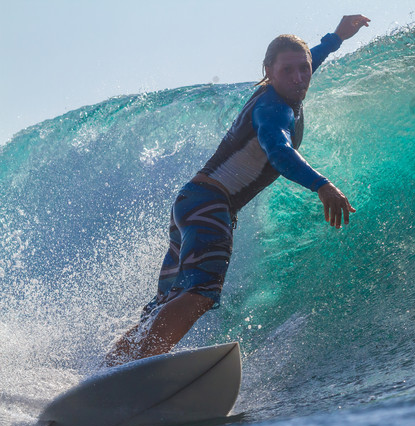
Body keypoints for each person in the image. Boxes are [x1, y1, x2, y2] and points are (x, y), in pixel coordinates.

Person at [103, 15, 371, 367]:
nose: (299, 77)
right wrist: (322, 186)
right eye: (288, 70)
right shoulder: (274, 111)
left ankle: (108, 371)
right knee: (200, 293)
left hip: (190, 202)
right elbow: (279, 151)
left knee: (169, 299)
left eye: (304, 69)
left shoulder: (279, 88)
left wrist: (335, 38)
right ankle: (135, 375)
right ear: (268, 70)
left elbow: (308, 58)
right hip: (212, 206)